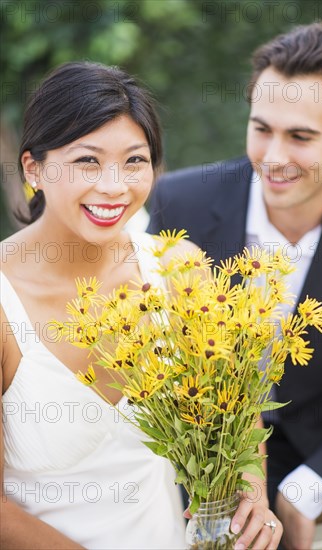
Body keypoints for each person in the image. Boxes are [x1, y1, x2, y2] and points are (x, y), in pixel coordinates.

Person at [0, 62, 282, 550]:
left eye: (135, 160)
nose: (115, 186)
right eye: (88, 161)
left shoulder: (179, 271)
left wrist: (252, 491)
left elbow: (237, 404)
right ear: (33, 168)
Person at [147, 22, 322, 550]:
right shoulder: (178, 203)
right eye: (261, 128)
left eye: (300, 136)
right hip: (207, 453)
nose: (273, 157)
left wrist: (309, 489)